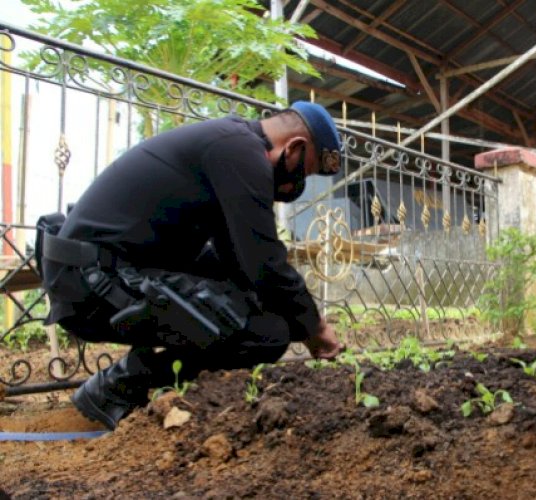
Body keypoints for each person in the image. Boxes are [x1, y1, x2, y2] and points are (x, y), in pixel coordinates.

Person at [36, 101, 345, 430]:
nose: (297, 184)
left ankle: (150, 388)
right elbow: (265, 261)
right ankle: (119, 387)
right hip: (92, 282)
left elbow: (241, 262)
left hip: (102, 270)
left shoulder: (231, 145)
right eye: (306, 170)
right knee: (266, 333)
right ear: (295, 147)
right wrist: (315, 328)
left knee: (257, 308)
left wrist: (298, 317)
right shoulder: (240, 152)